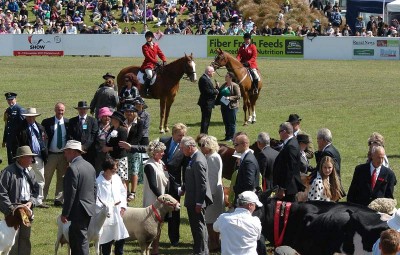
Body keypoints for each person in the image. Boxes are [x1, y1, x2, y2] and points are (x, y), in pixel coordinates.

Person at [0, 146, 39, 255]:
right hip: (14, 211)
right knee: (12, 239)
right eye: (29, 157)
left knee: (25, 237)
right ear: (20, 158)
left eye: (32, 157)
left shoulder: (30, 172)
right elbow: (1, 193)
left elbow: (36, 190)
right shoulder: (8, 172)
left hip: (26, 209)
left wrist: (31, 201)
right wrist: (12, 209)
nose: (32, 160)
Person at [61, 140, 97, 255]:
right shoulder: (90, 166)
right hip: (88, 209)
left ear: (72, 152)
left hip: (78, 211)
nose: (65, 155)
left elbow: (70, 193)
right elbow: (95, 189)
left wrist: (65, 213)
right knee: (75, 239)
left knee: (80, 242)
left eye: (66, 152)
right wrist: (91, 205)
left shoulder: (73, 168)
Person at [180, 136, 213, 255]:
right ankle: (199, 250)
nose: (181, 150)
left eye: (182, 148)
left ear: (189, 147)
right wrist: (184, 188)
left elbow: (202, 184)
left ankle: (202, 252)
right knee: (196, 226)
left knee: (199, 227)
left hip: (196, 201)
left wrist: (199, 202)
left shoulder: (198, 160)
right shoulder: (193, 158)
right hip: (193, 199)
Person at [160, 122, 187, 246]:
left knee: (174, 212)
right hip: (160, 182)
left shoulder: (185, 147)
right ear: (173, 134)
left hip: (175, 185)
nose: (181, 137)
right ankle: (154, 237)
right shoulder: (163, 141)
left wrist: (183, 186)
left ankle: (174, 238)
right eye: (179, 135)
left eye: (183, 135)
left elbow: (186, 168)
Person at [16, 107, 49, 208]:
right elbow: (17, 143)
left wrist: (44, 150)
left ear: (35, 117)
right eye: (28, 117)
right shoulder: (20, 128)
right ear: (26, 117)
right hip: (26, 158)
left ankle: (38, 200)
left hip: (39, 157)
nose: (30, 119)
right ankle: (25, 198)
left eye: (32, 117)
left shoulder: (40, 127)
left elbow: (45, 139)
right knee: (26, 178)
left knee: (40, 178)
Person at [96, 156, 129, 255]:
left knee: (120, 238)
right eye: (114, 169)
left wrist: (123, 206)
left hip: (117, 213)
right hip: (105, 215)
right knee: (106, 240)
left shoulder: (116, 178)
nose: (116, 171)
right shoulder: (98, 182)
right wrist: (108, 206)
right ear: (106, 170)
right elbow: (97, 200)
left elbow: (123, 192)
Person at [213, 191, 262, 255]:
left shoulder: (223, 218)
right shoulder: (256, 221)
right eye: (255, 205)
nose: (255, 208)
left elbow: (215, 228)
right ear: (250, 205)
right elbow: (257, 237)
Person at [143, 139, 169, 254]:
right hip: (153, 198)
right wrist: (163, 198)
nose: (163, 153)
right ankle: (149, 248)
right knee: (152, 224)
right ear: (153, 153)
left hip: (162, 197)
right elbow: (153, 185)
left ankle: (155, 247)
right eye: (160, 152)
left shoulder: (161, 163)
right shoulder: (149, 166)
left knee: (160, 223)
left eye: (163, 151)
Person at [199, 135, 224, 252]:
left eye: (202, 145)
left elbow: (213, 178)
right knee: (211, 220)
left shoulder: (212, 158)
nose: (200, 147)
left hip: (212, 194)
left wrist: (209, 196)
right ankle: (213, 242)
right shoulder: (210, 156)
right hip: (213, 193)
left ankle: (214, 244)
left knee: (211, 220)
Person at [42, 102, 69, 207]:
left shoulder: (68, 123)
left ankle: (59, 199)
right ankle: (42, 198)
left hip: (63, 155)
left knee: (62, 178)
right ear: (55, 110)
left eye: (62, 110)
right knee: (46, 176)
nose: (60, 112)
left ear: (64, 111)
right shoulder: (47, 122)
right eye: (58, 110)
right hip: (51, 155)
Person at [273, 122, 305, 202]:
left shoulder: (291, 146)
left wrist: (283, 188)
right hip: (287, 187)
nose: (279, 134)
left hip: (289, 189)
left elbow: (290, 168)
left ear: (284, 131)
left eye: (279, 131)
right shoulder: (290, 143)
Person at [314, 128, 346, 197]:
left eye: (318, 139)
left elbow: (320, 167)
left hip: (330, 186)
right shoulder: (333, 149)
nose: (317, 141)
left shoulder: (327, 152)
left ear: (322, 140)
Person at [68, 101, 99, 167]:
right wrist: (78, 148)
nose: (82, 111)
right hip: (76, 152)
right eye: (80, 109)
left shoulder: (93, 121)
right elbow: (70, 136)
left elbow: (93, 136)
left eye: (84, 109)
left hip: (89, 152)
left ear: (87, 110)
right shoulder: (72, 121)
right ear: (78, 109)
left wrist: (84, 147)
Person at [123, 104, 143, 200]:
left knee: (134, 171)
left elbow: (139, 137)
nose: (129, 113)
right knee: (125, 170)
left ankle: (133, 192)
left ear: (135, 113)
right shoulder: (123, 122)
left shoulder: (139, 122)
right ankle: (126, 191)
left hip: (134, 149)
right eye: (127, 111)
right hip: (124, 150)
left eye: (130, 111)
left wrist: (130, 146)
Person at [103, 111, 128, 185]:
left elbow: (122, 146)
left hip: (120, 158)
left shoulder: (122, 130)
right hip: (111, 157)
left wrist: (109, 148)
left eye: (112, 118)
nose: (111, 120)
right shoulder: (111, 129)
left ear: (117, 120)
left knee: (121, 179)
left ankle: (124, 195)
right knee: (112, 178)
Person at [233, 133, 260, 204]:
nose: (234, 147)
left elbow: (249, 183)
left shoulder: (248, 161)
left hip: (246, 200)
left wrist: (236, 188)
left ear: (244, 144)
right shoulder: (247, 157)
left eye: (236, 144)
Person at [216, 72, 241, 142]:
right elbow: (219, 92)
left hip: (232, 107)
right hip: (224, 106)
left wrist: (229, 98)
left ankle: (232, 137)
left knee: (231, 122)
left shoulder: (235, 85)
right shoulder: (224, 85)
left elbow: (238, 96)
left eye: (226, 76)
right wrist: (217, 86)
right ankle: (227, 136)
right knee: (226, 122)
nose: (225, 77)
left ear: (230, 78)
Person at [140, 31, 167, 95]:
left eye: (149, 37)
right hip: (148, 64)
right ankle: (146, 89)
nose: (148, 38)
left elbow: (160, 54)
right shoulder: (144, 46)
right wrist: (156, 62)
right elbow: (148, 56)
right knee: (149, 75)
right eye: (147, 37)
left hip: (156, 64)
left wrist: (164, 60)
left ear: (152, 37)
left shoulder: (156, 45)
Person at [3, 92, 25, 164]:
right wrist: (5, 139)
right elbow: (7, 126)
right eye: (8, 100)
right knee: (10, 161)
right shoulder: (8, 110)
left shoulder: (19, 109)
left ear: (15, 99)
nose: (10, 102)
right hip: (10, 140)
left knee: (18, 161)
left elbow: (23, 126)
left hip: (17, 141)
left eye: (11, 99)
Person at [198, 66, 219, 134]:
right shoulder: (204, 79)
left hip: (207, 102)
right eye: (213, 72)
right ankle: (203, 135)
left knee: (206, 120)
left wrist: (216, 88)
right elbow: (207, 91)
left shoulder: (206, 78)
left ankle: (204, 134)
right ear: (209, 72)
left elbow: (210, 89)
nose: (213, 73)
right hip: (206, 103)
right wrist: (216, 91)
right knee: (205, 120)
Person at [94, 107, 112, 175]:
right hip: (98, 153)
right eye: (105, 116)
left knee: (109, 171)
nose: (107, 118)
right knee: (98, 172)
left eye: (108, 116)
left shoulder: (113, 126)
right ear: (101, 117)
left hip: (109, 153)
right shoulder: (96, 125)